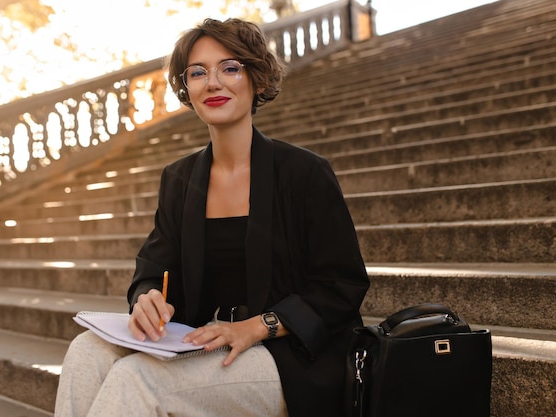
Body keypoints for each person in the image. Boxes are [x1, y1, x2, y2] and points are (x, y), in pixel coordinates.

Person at [55, 17, 369, 417]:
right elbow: (154, 267)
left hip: (290, 355)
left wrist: (256, 326)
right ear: (188, 88)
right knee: (87, 351)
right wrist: (147, 298)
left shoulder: (305, 172)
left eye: (230, 68)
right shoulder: (180, 178)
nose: (213, 82)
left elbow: (341, 285)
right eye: (198, 72)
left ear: (256, 77)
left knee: (137, 377)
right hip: (205, 341)